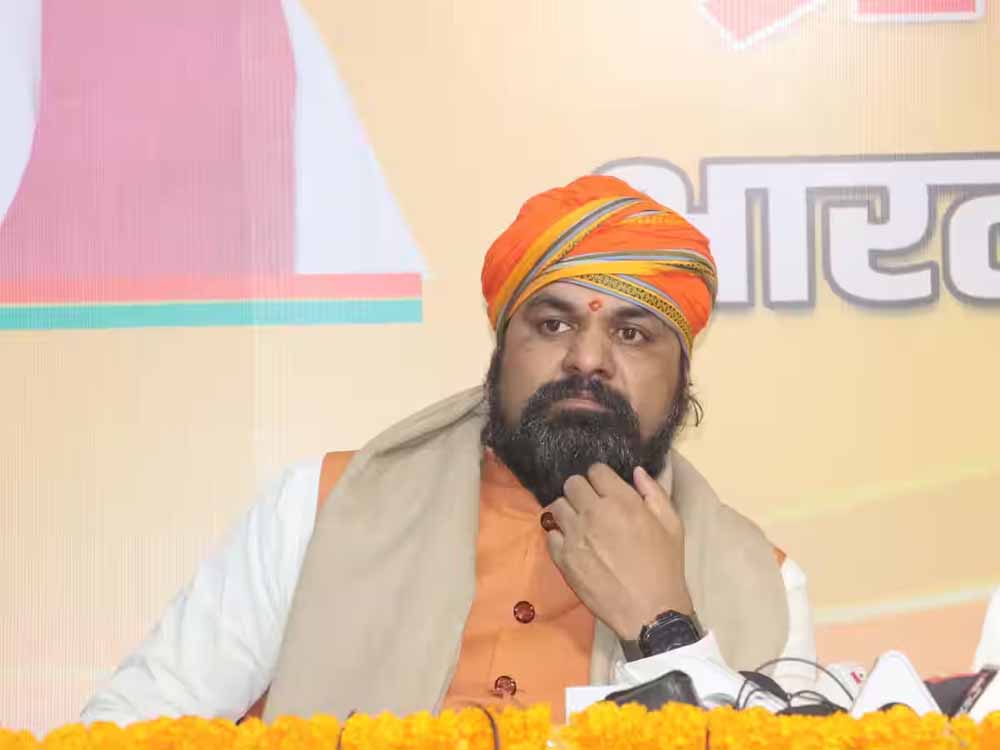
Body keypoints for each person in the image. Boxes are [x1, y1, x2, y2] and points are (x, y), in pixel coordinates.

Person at [82, 175, 815, 725]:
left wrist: (666, 629)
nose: (587, 359)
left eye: (631, 334)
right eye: (554, 325)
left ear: (682, 374)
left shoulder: (761, 582)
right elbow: (125, 731)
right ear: (502, 351)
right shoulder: (323, 508)